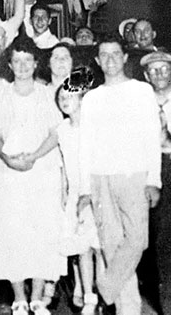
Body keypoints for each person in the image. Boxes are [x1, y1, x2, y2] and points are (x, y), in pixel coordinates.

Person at [79, 37, 162, 315]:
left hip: (134, 174)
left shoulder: (141, 91)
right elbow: (85, 145)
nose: (110, 60)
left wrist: (154, 180)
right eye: (104, 55)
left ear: (125, 58)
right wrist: (85, 188)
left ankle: (104, 287)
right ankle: (130, 309)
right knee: (111, 245)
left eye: (116, 54)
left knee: (137, 239)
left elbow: (152, 138)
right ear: (98, 61)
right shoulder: (91, 98)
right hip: (100, 177)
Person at [0, 36, 65, 315]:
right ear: (9, 64)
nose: (22, 66)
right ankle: (19, 297)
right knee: (12, 231)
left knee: (41, 229)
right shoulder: (0, 94)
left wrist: (33, 156)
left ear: (35, 63)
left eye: (27, 61)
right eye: (16, 61)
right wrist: (8, 158)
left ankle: (38, 297)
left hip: (41, 170)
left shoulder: (47, 94)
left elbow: (56, 134)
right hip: (8, 173)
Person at [55, 69, 101, 314]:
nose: (65, 100)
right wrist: (64, 190)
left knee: (98, 247)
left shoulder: (93, 127)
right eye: (62, 97)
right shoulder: (62, 129)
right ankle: (87, 294)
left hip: (94, 192)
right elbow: (63, 162)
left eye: (71, 96)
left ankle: (103, 294)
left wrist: (91, 194)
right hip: (74, 193)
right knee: (82, 247)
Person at [143, 51, 171, 315]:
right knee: (163, 236)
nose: (159, 75)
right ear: (146, 75)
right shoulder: (142, 103)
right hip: (157, 168)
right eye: (154, 70)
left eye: (164, 69)